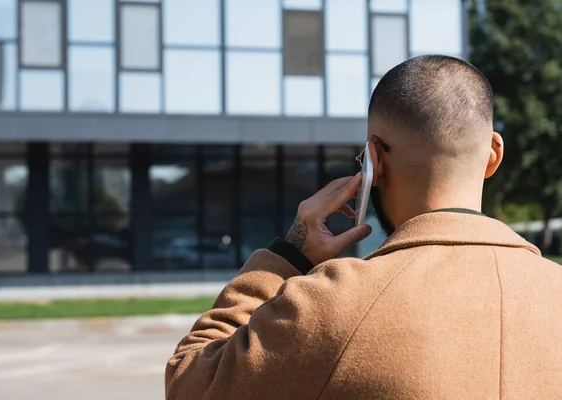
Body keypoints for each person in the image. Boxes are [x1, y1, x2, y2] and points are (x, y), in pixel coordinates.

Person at [165, 55, 562, 399]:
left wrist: (288, 255)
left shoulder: (332, 303)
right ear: (494, 155)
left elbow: (191, 382)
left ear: (374, 161)